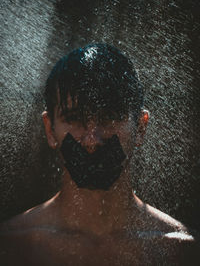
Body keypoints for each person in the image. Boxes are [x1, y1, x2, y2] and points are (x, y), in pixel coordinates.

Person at [0, 43, 199, 266]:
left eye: (109, 117)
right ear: (49, 129)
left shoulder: (181, 252)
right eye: (75, 118)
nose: (92, 139)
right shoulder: (12, 247)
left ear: (140, 129)